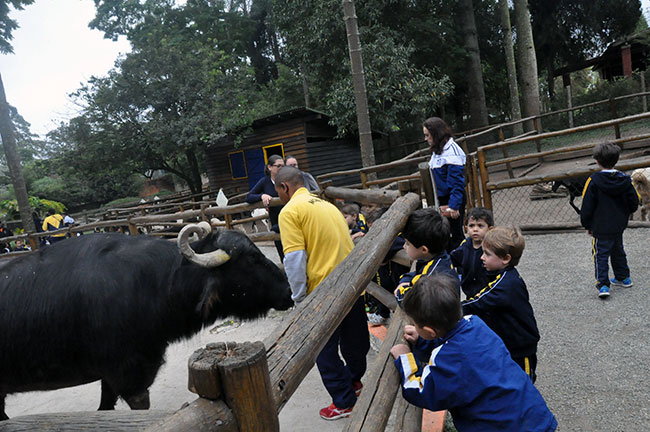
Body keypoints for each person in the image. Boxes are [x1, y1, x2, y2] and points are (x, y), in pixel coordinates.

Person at [390, 273, 557, 432]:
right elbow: (453, 342)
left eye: (417, 324)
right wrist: (422, 340)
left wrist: (404, 358)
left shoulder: (449, 359)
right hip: (532, 415)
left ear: (430, 330)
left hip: (501, 427)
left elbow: (422, 392)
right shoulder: (475, 324)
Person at [275, 166, 369, 421]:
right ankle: (354, 381)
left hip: (323, 290)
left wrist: (299, 298)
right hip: (352, 283)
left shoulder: (290, 211)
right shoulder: (327, 205)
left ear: (284, 187)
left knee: (323, 350)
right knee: (355, 340)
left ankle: (343, 400)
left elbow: (294, 259)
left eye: (277, 189)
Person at [461, 226, 540, 382]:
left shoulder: (505, 285)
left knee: (523, 384)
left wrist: (445, 311)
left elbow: (477, 302)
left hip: (520, 347)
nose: (482, 257)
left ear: (506, 259)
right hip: (508, 343)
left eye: (487, 254)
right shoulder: (502, 275)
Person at [580, 142, 639, 299]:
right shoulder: (625, 180)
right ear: (616, 159)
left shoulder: (593, 181)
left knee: (600, 254)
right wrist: (624, 214)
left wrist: (587, 224)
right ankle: (623, 277)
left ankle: (603, 284)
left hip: (600, 227)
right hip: (618, 225)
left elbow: (586, 205)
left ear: (597, 160)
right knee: (618, 250)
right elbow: (634, 202)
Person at [394, 208, 458, 304]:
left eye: (407, 243)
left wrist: (401, 290)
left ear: (424, 249)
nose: (403, 246)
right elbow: (415, 274)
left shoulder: (433, 278)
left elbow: (408, 301)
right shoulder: (437, 258)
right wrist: (406, 280)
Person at [424, 117, 466, 251]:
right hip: (443, 198)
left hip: (451, 199)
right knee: (445, 235)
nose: (426, 139)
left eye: (427, 135)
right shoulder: (439, 150)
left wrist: (453, 206)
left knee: (455, 235)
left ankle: (459, 266)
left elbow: (457, 183)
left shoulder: (452, 152)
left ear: (435, 134)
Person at [246, 154, 286, 259]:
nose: (281, 168)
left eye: (283, 166)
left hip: (292, 221)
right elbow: (249, 196)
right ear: (269, 167)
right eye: (278, 166)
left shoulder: (287, 180)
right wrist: (262, 195)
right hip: (276, 224)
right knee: (283, 256)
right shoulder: (265, 182)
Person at [450, 207, 494, 298]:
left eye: (480, 226)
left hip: (488, 293)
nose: (475, 229)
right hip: (469, 292)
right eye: (471, 225)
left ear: (490, 229)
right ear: (466, 228)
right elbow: (451, 259)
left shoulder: (492, 247)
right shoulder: (464, 246)